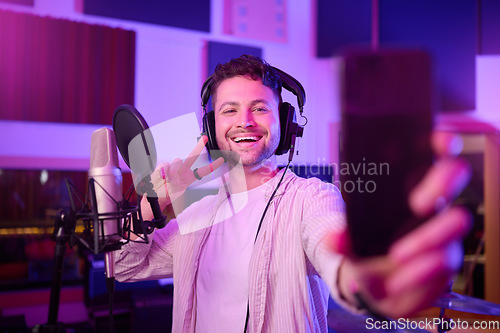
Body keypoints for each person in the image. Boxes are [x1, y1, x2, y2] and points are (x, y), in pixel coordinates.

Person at [115, 55, 471, 332]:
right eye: (230, 110)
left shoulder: (311, 198)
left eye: (260, 108)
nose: (246, 122)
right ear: (211, 126)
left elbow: (333, 252)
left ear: (284, 123)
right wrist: (153, 204)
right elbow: (123, 268)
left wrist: (365, 279)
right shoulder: (195, 210)